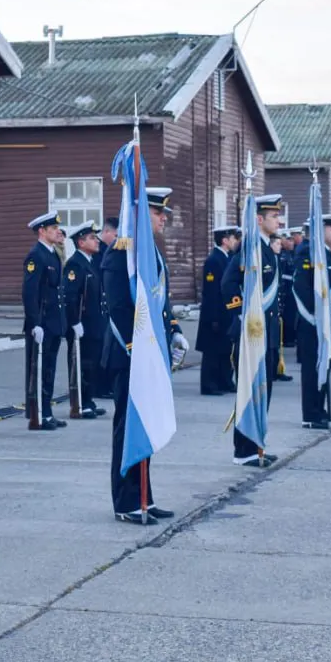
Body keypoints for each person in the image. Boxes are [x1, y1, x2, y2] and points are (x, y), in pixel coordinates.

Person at [100, 187, 187, 523]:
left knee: (146, 427)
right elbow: (119, 308)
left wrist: (174, 330)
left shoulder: (150, 252)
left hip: (150, 355)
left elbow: (160, 300)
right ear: (138, 214)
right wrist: (141, 351)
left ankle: (145, 498)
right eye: (157, 212)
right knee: (128, 428)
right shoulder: (120, 254)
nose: (164, 217)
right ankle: (126, 502)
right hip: (129, 355)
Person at [223, 195, 284, 467]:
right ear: (259, 219)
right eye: (273, 216)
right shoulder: (250, 246)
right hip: (252, 334)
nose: (278, 221)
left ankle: (257, 444)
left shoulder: (266, 247)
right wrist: (243, 316)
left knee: (264, 389)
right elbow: (228, 284)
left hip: (266, 332)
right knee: (249, 389)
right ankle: (243, 449)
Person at [293, 212, 331, 429]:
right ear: (320, 230)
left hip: (325, 324)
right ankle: (310, 415)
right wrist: (315, 318)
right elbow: (301, 288)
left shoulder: (327, 255)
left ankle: (320, 411)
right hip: (311, 323)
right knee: (312, 369)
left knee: (324, 367)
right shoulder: (307, 253)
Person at [22, 212, 68, 430]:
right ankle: (37, 414)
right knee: (38, 370)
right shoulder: (36, 256)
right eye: (52, 228)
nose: (57, 231)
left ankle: (46, 412)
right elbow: (30, 293)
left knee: (49, 370)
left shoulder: (52, 255)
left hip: (53, 323)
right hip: (41, 324)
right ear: (42, 230)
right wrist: (35, 322)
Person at [62, 221, 106, 419]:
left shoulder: (89, 263)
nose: (97, 241)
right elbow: (70, 297)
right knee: (82, 365)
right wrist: (74, 322)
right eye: (92, 238)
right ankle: (80, 403)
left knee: (92, 365)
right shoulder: (75, 265)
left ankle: (89, 400)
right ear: (80, 242)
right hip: (82, 324)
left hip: (95, 324)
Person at [196, 225, 240, 396]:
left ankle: (224, 381)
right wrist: (213, 317)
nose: (235, 241)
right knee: (211, 351)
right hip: (214, 313)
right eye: (232, 238)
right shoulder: (213, 260)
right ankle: (209, 385)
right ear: (224, 240)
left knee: (224, 349)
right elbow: (212, 291)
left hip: (225, 312)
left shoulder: (227, 257)